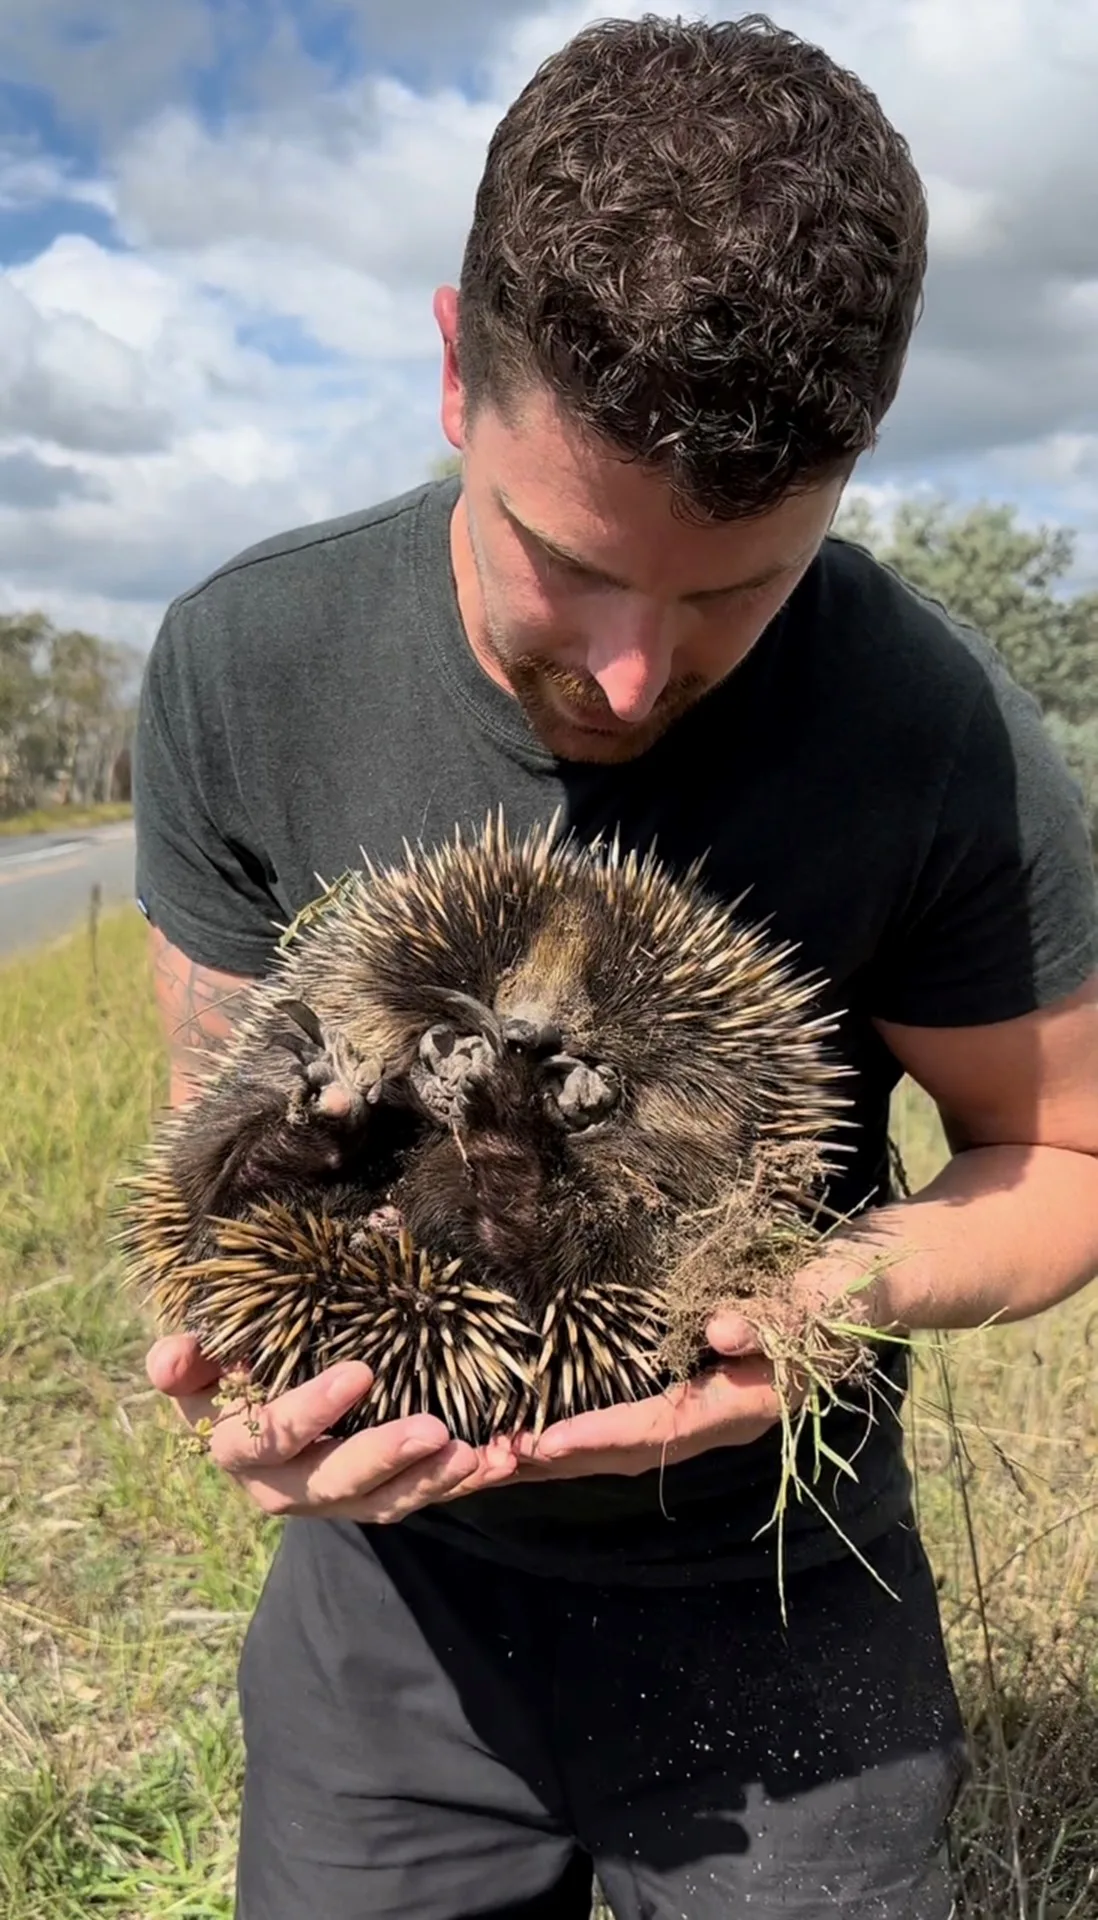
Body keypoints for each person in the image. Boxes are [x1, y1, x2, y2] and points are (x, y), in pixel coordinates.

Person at [132, 15, 1098, 1919]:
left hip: (774, 1587)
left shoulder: (939, 734)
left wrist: (806, 1301)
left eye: (733, 587)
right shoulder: (250, 662)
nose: (634, 675)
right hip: (388, 1596)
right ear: (447, 369)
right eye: (560, 559)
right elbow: (221, 1125)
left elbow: (1066, 1159)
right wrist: (254, 1359)